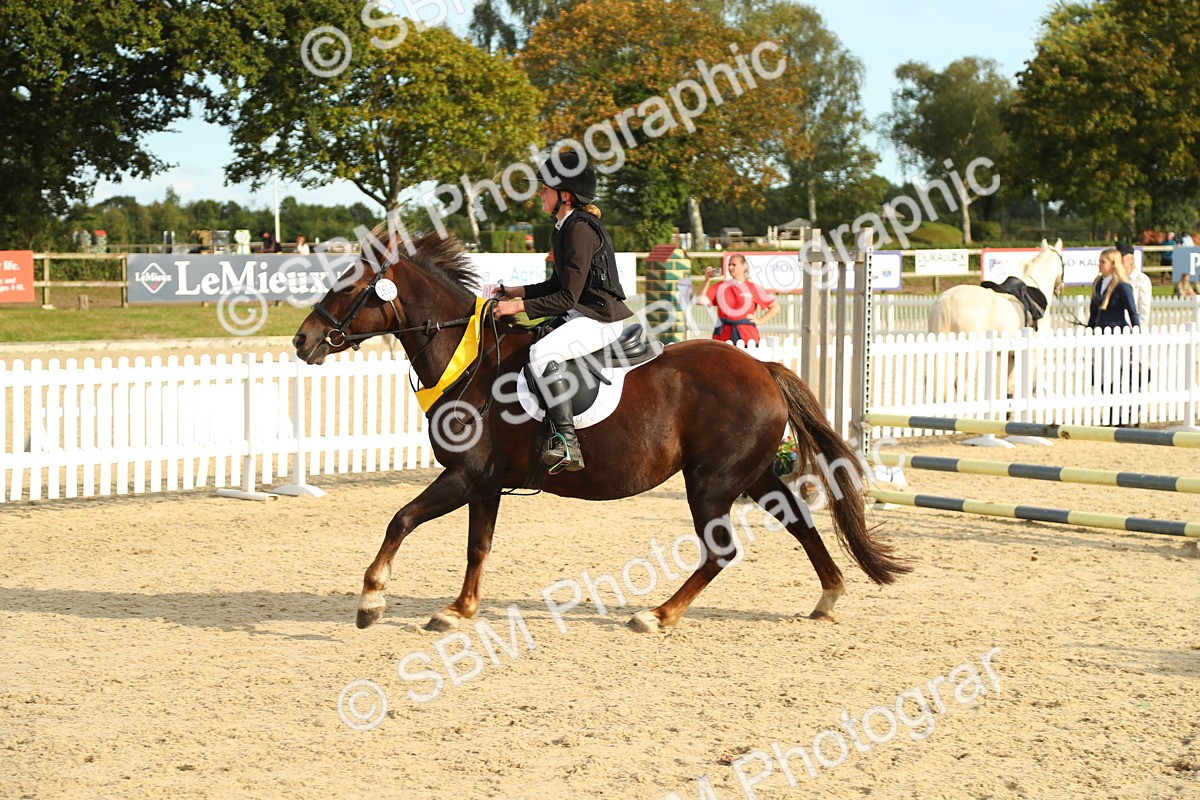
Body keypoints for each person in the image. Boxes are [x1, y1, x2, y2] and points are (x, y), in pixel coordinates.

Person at [491, 151, 632, 472]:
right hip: (583, 313)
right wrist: (519, 292)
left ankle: (567, 441)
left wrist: (517, 307)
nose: (540, 192)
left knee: (541, 354)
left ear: (565, 196)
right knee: (533, 339)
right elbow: (558, 283)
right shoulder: (565, 226)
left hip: (599, 319)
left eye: (546, 188)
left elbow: (567, 297)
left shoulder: (580, 229)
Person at [697, 253, 781, 344]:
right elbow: (699, 301)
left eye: (734, 265)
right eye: (729, 265)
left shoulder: (753, 288)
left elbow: (775, 307)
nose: (730, 267)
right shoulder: (720, 286)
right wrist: (707, 280)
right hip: (723, 335)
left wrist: (760, 320)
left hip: (747, 335)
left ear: (743, 267)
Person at [1089, 248, 1140, 329]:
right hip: (1099, 331)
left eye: (1103, 262)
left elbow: (1132, 312)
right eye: (1099, 261)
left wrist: (1137, 332)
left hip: (1118, 330)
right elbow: (1093, 312)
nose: (1099, 265)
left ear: (1113, 264)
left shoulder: (1123, 286)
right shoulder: (1098, 283)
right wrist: (1090, 329)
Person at [1115, 242, 1151, 327]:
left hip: (1132, 327)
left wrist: (1140, 329)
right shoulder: (1114, 279)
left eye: (1122, 257)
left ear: (1131, 258)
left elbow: (1144, 309)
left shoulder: (1141, 279)